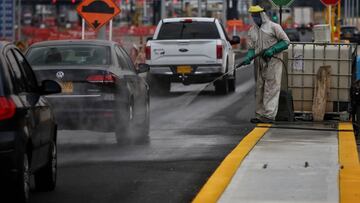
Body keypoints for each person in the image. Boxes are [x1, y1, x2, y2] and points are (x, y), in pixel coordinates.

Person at [242, 5, 290, 123]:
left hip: (274, 60)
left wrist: (273, 49)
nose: (255, 17)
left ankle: (269, 115)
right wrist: (249, 56)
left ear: (262, 14)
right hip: (260, 61)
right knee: (259, 88)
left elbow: (286, 41)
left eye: (256, 15)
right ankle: (260, 114)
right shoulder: (252, 30)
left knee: (271, 87)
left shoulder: (274, 27)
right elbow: (252, 47)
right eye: (253, 15)